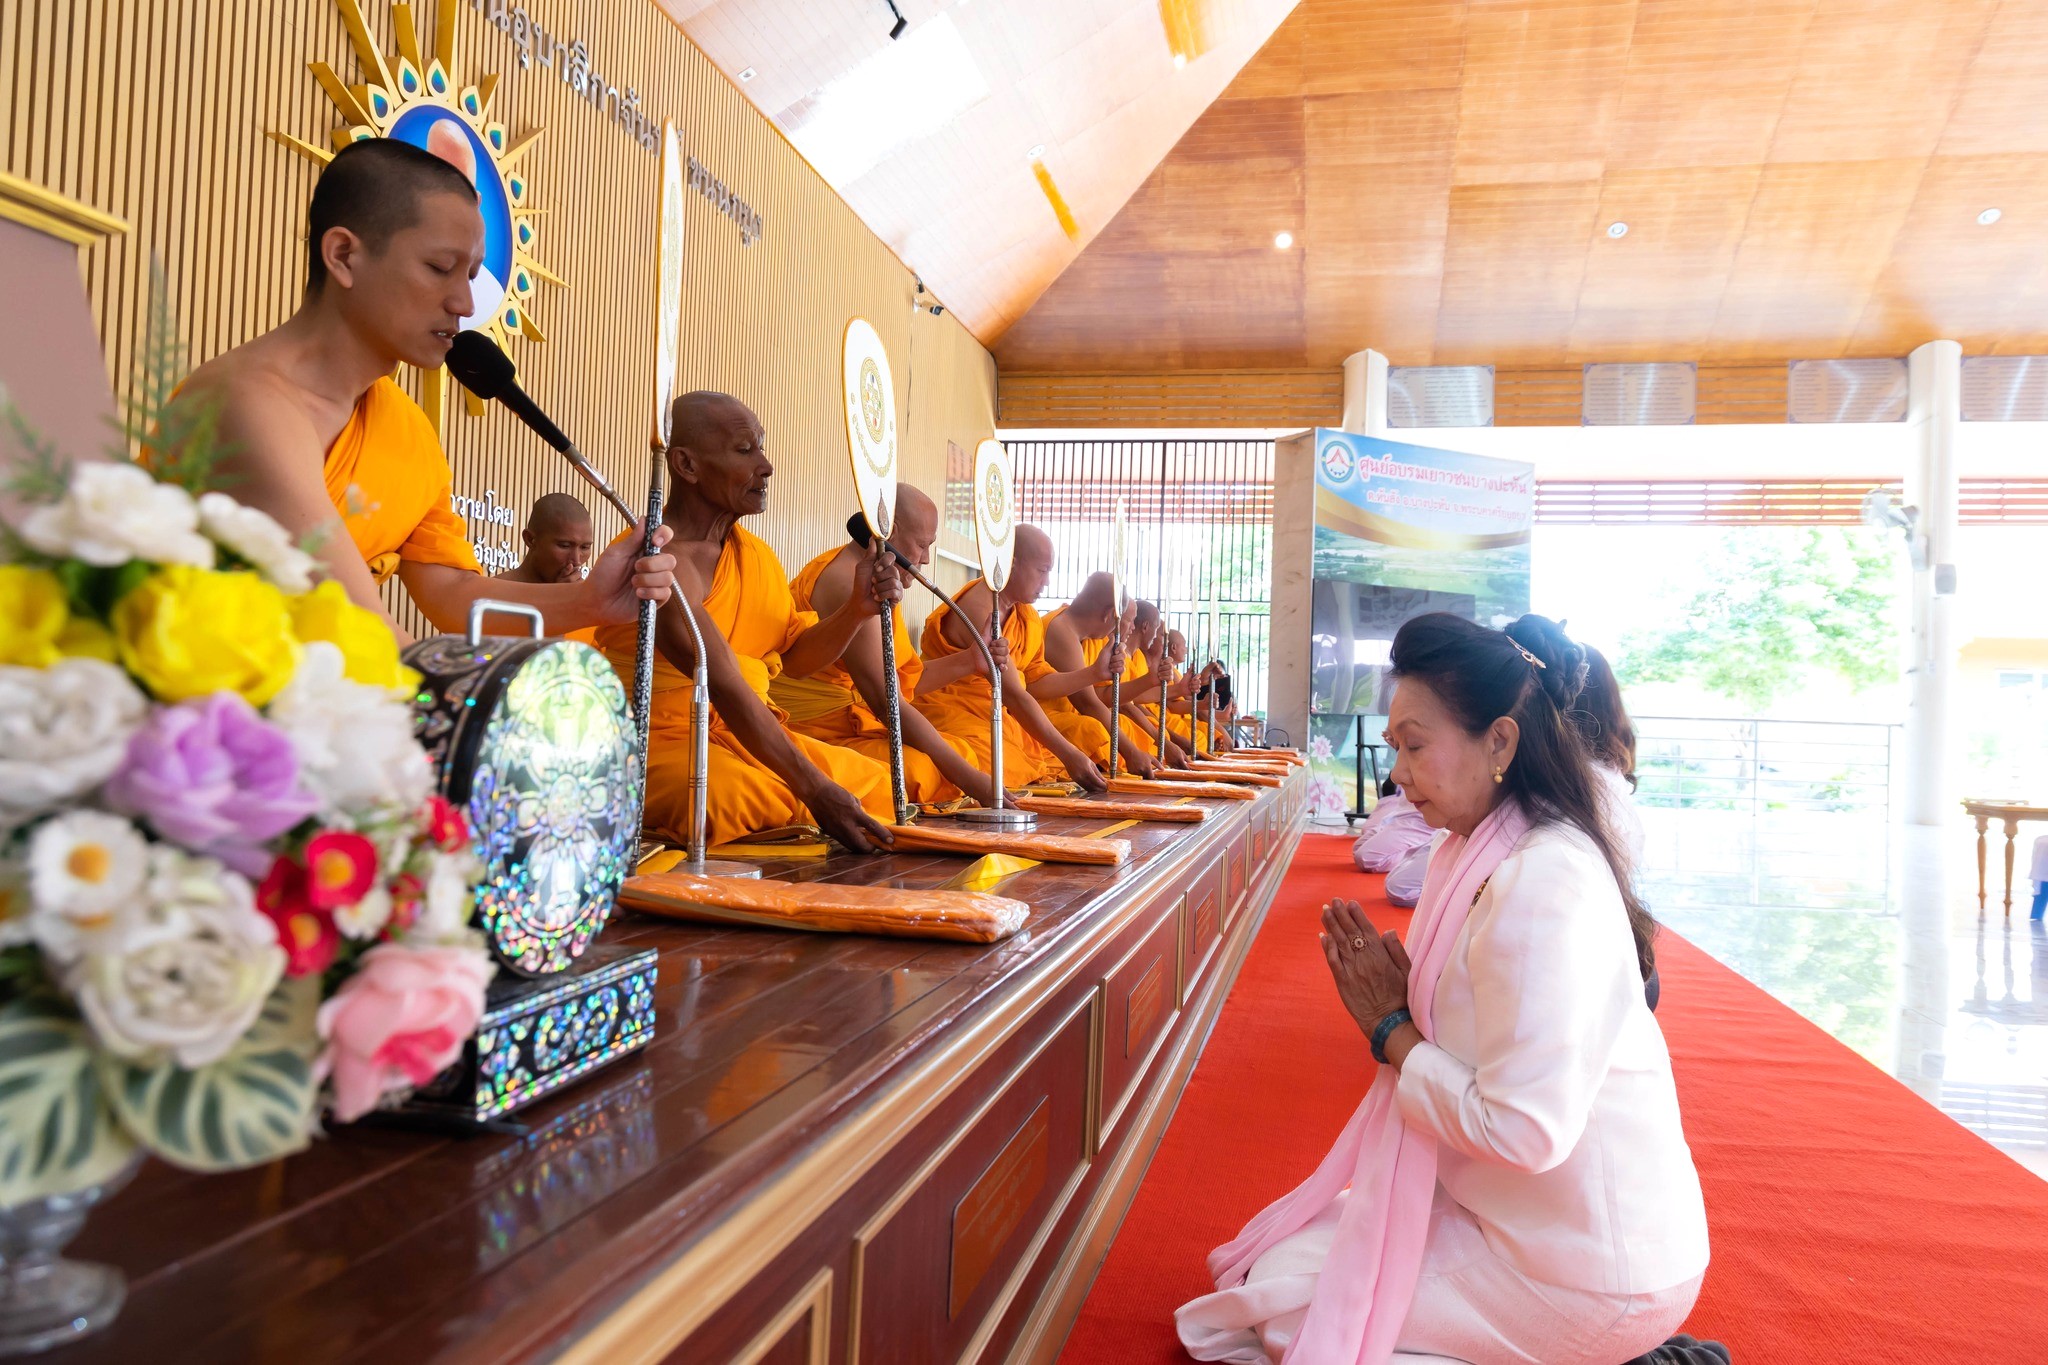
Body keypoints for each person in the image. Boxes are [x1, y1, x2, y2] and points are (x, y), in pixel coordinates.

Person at [1177, 612, 1709, 1365]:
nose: (1397, 772)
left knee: (1291, 1317)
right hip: (1505, 1209)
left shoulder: (1541, 879)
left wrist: (1391, 1027)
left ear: (1500, 742)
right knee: (1276, 1267)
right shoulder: (1472, 847)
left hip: (1584, 1264)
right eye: (1395, 745)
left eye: (1415, 745)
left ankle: (1622, 1353)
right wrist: (1411, 1011)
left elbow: (1524, 1132)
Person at [167, 138, 673, 642]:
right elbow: (355, 630)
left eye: (470, 275)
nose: (464, 303)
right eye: (439, 268)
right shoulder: (243, 405)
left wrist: (590, 601)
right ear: (344, 255)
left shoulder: (406, 429)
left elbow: (451, 592)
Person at [592, 390, 895, 852]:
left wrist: (857, 609)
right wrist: (814, 789)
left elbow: (795, 660)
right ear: (687, 465)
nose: (766, 466)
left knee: (877, 784)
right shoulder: (658, 559)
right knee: (726, 798)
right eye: (744, 449)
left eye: (762, 447)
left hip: (744, 734)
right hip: (660, 736)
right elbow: (723, 684)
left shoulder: (756, 557)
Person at [774, 486, 997, 808]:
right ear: (888, 531)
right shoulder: (849, 583)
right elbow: (885, 701)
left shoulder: (873, 579)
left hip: (851, 723)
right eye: (922, 545)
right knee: (926, 770)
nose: (925, 559)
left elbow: (899, 679)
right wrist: (970, 779)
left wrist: (971, 660)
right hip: (816, 729)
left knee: (960, 753)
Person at [915, 524, 1108, 792]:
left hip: (999, 715)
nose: (1047, 581)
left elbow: (1035, 681)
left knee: (1063, 748)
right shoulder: (981, 609)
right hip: (951, 709)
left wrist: (1094, 673)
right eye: (1042, 570)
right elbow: (1014, 695)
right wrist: (1068, 753)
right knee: (998, 760)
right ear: (1012, 563)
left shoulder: (1025, 616)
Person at [1039, 572, 1162, 777]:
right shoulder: (1061, 630)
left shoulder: (1085, 636)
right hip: (1043, 716)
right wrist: (1131, 752)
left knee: (1112, 726)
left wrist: (1151, 680)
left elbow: (1100, 696)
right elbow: (1087, 703)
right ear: (1109, 614)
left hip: (1067, 715)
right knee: (1091, 729)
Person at [1351, 779, 1435, 909]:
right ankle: (1410, 849)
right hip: (1402, 813)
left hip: (1423, 822)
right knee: (1359, 849)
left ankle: (1416, 842)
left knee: (1398, 888)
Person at [497, 492, 594, 584]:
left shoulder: (588, 594)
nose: (577, 561)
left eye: (585, 547)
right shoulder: (495, 591)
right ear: (530, 539)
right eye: (565, 546)